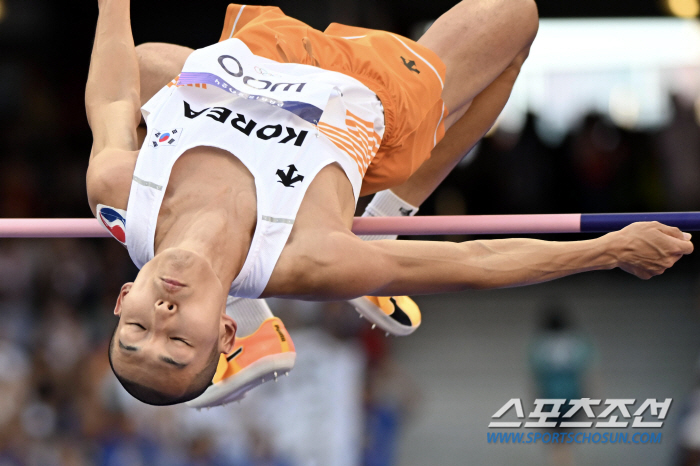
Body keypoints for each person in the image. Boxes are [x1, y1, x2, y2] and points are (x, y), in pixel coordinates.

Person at [85, 0, 693, 407]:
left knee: (140, 64)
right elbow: (474, 265)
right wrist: (606, 249)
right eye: (179, 342)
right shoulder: (311, 259)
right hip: (365, 89)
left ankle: (258, 317)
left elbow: (112, 90)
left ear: (123, 297)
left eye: (137, 328)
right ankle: (387, 220)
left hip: (253, 53)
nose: (162, 317)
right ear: (216, 331)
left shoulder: (119, 192)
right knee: (517, 19)